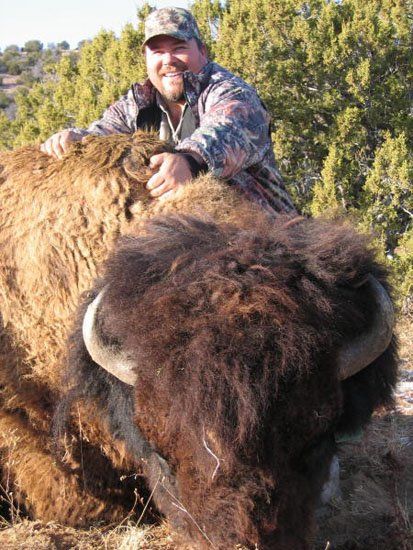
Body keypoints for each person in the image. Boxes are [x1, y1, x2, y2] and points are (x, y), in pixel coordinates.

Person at [41, 7, 295, 214]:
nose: (168, 60)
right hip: (191, 236)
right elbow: (104, 133)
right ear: (147, 59)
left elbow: (227, 129)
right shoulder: (140, 100)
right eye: (158, 52)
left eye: (179, 48)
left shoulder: (229, 91)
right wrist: (76, 139)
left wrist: (189, 161)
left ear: (202, 51)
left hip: (267, 238)